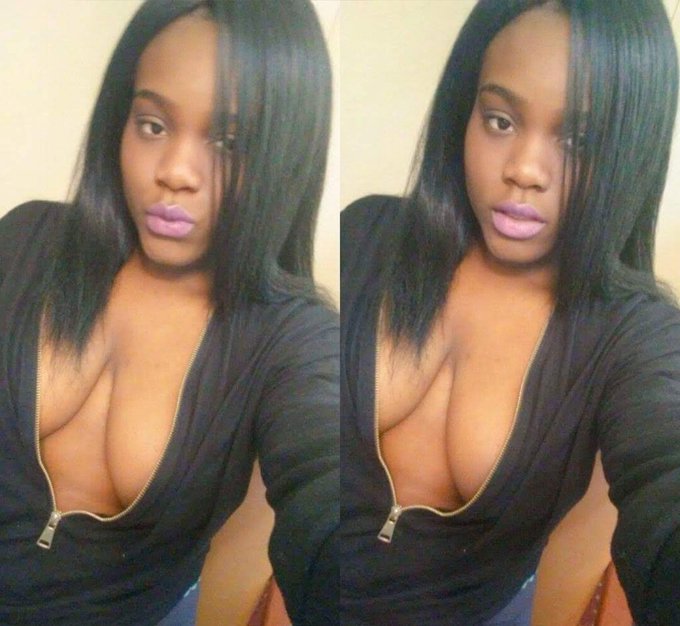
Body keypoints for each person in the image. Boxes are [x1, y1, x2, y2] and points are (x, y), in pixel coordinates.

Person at [340, 0, 680, 624]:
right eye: (499, 120)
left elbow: (666, 477)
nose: (523, 169)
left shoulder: (637, 335)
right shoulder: (365, 234)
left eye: (578, 140)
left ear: (631, 150)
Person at [0, 1, 338, 624]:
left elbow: (330, 492)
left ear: (286, 153)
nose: (175, 172)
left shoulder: (294, 339)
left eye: (230, 142)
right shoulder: (28, 240)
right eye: (153, 125)